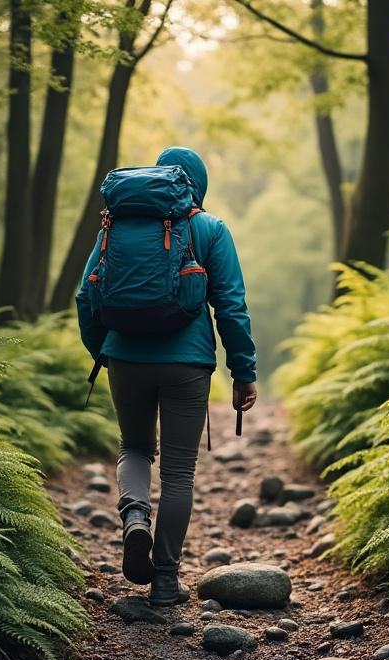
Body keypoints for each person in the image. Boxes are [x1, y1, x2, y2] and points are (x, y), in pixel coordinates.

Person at [76, 146, 257, 607]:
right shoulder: (210, 229)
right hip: (187, 365)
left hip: (125, 360)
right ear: (199, 184)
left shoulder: (115, 224)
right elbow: (231, 306)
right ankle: (164, 582)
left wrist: (106, 351)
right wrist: (243, 372)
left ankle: (135, 515)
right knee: (179, 473)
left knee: (134, 447)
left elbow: (84, 296)